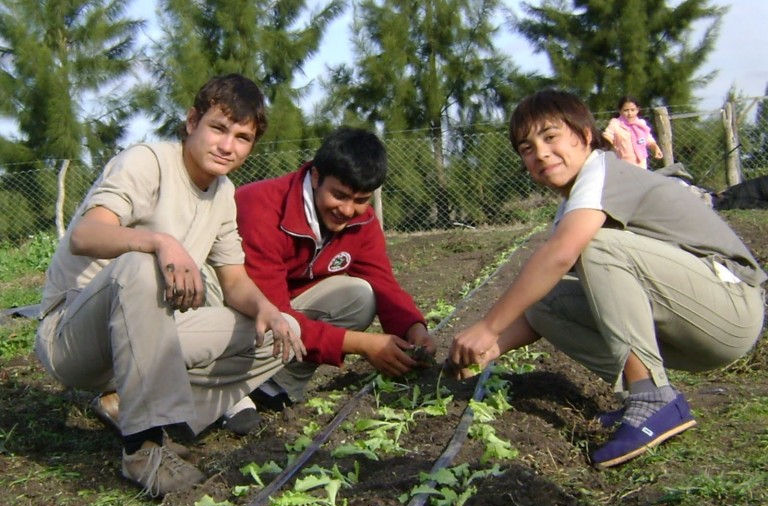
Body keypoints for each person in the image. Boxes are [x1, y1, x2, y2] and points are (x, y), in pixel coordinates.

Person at [448, 90, 766, 469]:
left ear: (584, 135)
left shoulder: (603, 172)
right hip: (693, 323)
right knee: (548, 301)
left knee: (594, 245)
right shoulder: (574, 202)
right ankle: (644, 394)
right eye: (526, 148)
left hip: (732, 308)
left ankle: (652, 398)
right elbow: (543, 308)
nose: (540, 153)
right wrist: (488, 350)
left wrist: (488, 325)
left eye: (550, 137)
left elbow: (561, 253)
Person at [34, 74, 306, 497]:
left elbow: (234, 281)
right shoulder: (147, 161)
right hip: (74, 334)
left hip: (148, 340)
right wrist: (160, 242)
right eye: (218, 128)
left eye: (242, 137)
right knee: (141, 267)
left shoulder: (223, 193)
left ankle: (157, 417)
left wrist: (269, 310)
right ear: (193, 121)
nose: (227, 146)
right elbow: (85, 235)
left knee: (278, 330)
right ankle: (143, 449)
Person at [230, 126, 436, 418]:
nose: (348, 210)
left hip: (287, 310)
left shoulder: (361, 221)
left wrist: (414, 329)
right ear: (315, 177)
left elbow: (383, 282)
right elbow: (274, 310)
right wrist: (363, 345)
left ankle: (276, 387)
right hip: (243, 307)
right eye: (339, 196)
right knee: (271, 321)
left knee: (360, 296)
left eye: (361, 200)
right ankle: (228, 385)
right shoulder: (262, 206)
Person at [602, 95, 663, 169]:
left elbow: (649, 140)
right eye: (626, 110)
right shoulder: (615, 123)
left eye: (632, 110)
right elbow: (607, 136)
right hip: (623, 166)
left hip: (641, 165)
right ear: (620, 111)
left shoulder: (641, 124)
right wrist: (608, 143)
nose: (630, 113)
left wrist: (655, 148)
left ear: (637, 110)